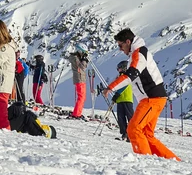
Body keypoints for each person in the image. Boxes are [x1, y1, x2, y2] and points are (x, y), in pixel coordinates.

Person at [100, 28, 178, 160]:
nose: (120, 49)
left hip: (151, 99)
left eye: (120, 45)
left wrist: (110, 87)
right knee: (147, 134)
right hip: (155, 98)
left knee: (133, 129)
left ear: (128, 42)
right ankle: (172, 161)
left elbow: (131, 75)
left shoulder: (138, 53)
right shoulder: (138, 53)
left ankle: (145, 161)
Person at [102, 60, 135, 141]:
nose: (118, 70)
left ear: (124, 68)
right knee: (121, 118)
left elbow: (124, 86)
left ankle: (132, 134)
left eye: (119, 68)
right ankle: (124, 133)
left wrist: (117, 95)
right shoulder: (119, 77)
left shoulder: (127, 77)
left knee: (130, 117)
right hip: (120, 100)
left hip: (127, 99)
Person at [68, 44, 89, 118]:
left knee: (82, 97)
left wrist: (84, 60)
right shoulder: (75, 58)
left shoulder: (77, 58)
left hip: (81, 78)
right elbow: (82, 66)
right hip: (79, 78)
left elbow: (84, 66)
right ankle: (76, 114)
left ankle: (77, 113)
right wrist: (83, 59)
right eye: (83, 52)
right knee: (81, 97)